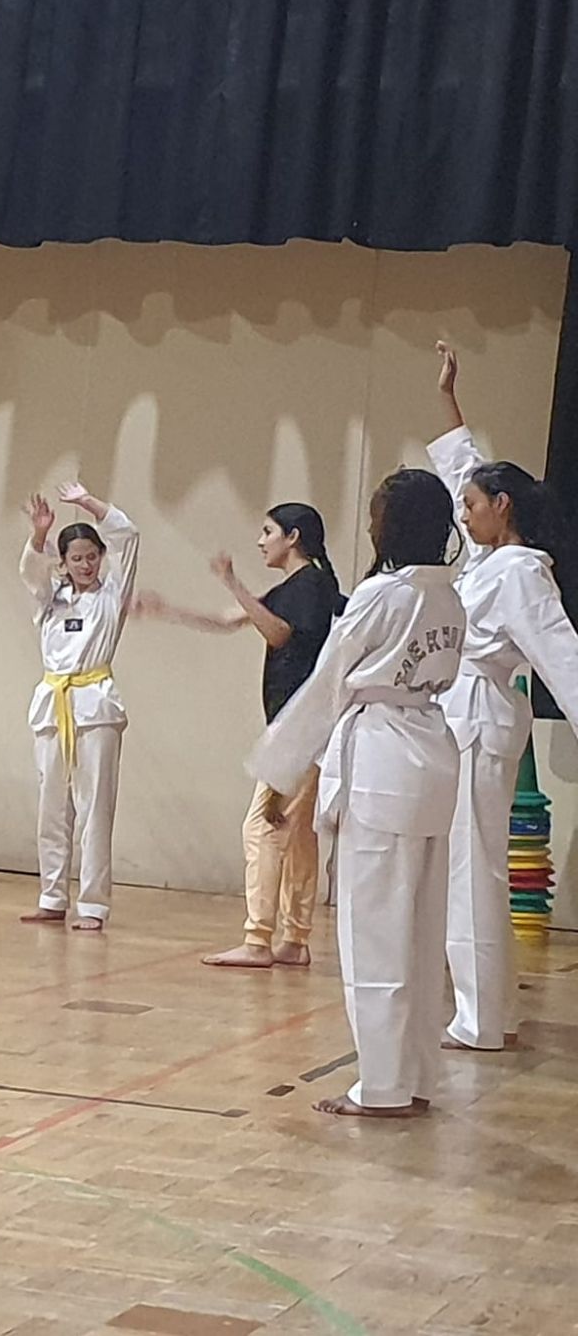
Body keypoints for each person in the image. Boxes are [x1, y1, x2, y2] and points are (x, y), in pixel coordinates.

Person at [250, 468, 464, 1118]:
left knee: (374, 933)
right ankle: (416, 1078)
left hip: (382, 760)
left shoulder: (382, 595)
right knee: (422, 932)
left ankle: (381, 1087)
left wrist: (282, 771)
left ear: (392, 525)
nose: (370, 524)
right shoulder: (448, 596)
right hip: (433, 753)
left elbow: (328, 683)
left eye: (376, 514)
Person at [428, 341, 578, 1051]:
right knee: (463, 865)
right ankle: (484, 1008)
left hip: (481, 719)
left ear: (503, 506)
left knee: (472, 866)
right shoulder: (492, 558)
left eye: (472, 506)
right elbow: (466, 467)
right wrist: (448, 398)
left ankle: (483, 1017)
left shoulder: (519, 572)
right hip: (463, 716)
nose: (463, 515)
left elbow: (562, 655)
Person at [136, 505, 344, 967]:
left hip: (302, 730)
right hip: (303, 728)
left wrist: (234, 582)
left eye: (268, 531)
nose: (260, 540)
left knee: (263, 827)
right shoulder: (296, 588)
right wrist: (169, 611)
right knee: (298, 834)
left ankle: (258, 939)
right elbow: (232, 620)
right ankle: (295, 939)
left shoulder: (310, 586)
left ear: (293, 537)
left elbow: (278, 634)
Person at [20, 483, 140, 931]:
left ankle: (93, 904)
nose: (86, 565)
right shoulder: (49, 599)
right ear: (64, 562)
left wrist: (89, 504)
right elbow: (30, 571)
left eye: (92, 557)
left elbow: (129, 536)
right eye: (77, 558)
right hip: (54, 705)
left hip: (96, 707)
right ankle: (52, 896)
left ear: (101, 558)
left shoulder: (112, 595)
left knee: (94, 808)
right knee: (52, 806)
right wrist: (39, 534)